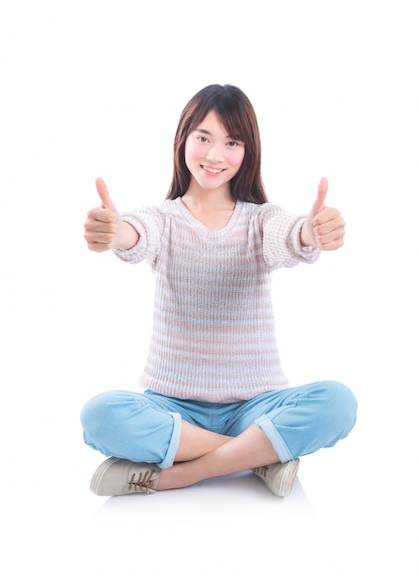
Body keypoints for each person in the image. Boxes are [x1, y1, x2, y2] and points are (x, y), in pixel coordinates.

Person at [81, 83, 357, 498]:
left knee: (338, 403)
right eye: (203, 138)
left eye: (232, 142)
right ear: (183, 141)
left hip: (256, 408)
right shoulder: (164, 218)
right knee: (100, 415)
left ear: (247, 152)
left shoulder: (261, 221)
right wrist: (115, 232)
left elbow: (290, 236)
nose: (214, 155)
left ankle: (180, 473)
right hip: (173, 408)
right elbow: (136, 235)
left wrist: (311, 232)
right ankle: (258, 457)